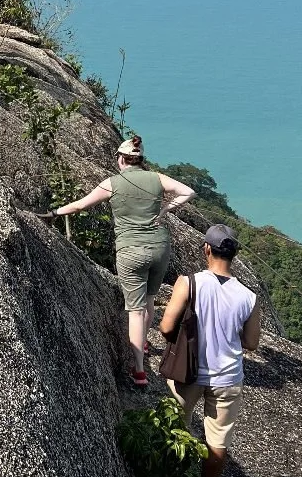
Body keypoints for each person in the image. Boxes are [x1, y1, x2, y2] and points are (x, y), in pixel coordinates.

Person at [45, 136, 196, 387]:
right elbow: (188, 192)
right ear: (140, 160)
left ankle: (139, 371)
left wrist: (53, 213)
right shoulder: (157, 178)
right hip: (159, 247)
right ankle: (144, 344)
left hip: (131, 250)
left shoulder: (112, 183)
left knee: (135, 312)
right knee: (148, 301)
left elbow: (80, 206)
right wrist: (164, 210)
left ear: (120, 158)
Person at [160, 224, 261, 477]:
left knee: (175, 429)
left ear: (207, 249)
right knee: (218, 442)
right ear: (234, 256)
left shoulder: (188, 282)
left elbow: (166, 326)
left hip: (188, 372)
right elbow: (251, 343)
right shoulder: (249, 297)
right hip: (228, 378)